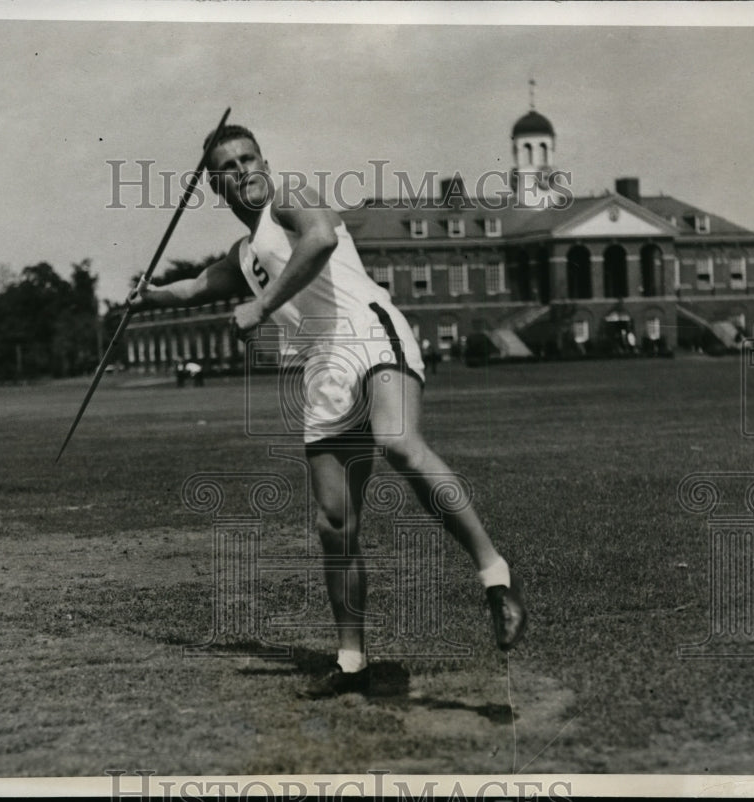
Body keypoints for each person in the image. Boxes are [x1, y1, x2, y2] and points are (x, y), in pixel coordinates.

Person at [128, 124, 526, 698]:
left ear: (266, 161)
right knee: (334, 524)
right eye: (230, 168)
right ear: (217, 188)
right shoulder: (245, 254)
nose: (245, 171)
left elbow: (319, 241)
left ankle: (495, 576)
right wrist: (151, 296)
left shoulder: (292, 200)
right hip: (322, 368)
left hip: (369, 333)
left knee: (397, 441)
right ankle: (351, 662)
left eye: (250, 158)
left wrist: (261, 307)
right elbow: (194, 287)